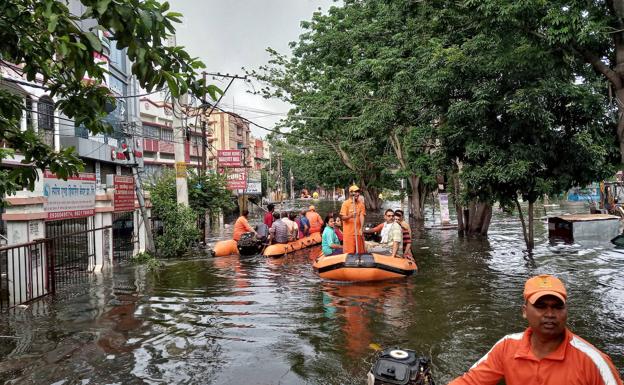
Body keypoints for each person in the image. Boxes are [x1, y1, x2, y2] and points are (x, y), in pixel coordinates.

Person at [448, 274, 624, 385]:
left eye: (557, 307)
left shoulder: (593, 361)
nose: (550, 314)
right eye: (540, 306)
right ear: (524, 312)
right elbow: (470, 381)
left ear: (566, 311)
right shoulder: (507, 347)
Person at [340, 185, 366, 254]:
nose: (357, 193)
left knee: (360, 252)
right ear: (350, 193)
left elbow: (362, 216)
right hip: (349, 234)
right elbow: (343, 218)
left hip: (358, 232)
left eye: (358, 192)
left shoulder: (361, 204)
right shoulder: (345, 204)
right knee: (349, 253)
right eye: (355, 192)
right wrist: (350, 216)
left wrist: (361, 228)